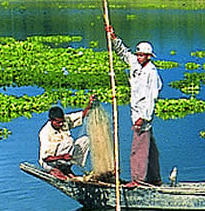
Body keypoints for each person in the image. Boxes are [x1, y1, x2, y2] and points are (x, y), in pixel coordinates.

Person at [108, 26, 163, 187]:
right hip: (136, 113)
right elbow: (123, 53)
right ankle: (154, 178)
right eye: (138, 55)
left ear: (148, 56)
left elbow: (151, 97)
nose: (138, 57)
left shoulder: (152, 73)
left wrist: (142, 118)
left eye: (142, 55)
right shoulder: (135, 63)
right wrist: (113, 37)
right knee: (150, 148)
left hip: (143, 116)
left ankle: (138, 180)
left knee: (138, 149)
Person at [38, 93, 96, 180]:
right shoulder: (45, 133)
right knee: (69, 141)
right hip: (50, 163)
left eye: (62, 121)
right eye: (58, 122)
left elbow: (82, 115)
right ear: (51, 120)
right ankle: (57, 169)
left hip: (64, 158)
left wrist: (90, 104)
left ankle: (66, 168)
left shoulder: (65, 121)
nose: (61, 124)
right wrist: (62, 157)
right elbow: (46, 158)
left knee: (85, 140)